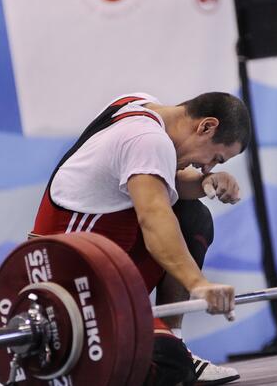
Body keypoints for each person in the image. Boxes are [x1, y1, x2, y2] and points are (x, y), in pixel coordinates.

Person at [30, 92, 251, 385]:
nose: (208, 166)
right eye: (215, 157)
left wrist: (203, 183)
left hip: (103, 269)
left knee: (192, 216)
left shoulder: (139, 105)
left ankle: (173, 338)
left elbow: (160, 180)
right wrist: (198, 284)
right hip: (66, 284)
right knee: (169, 366)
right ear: (206, 127)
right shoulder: (148, 139)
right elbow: (153, 218)